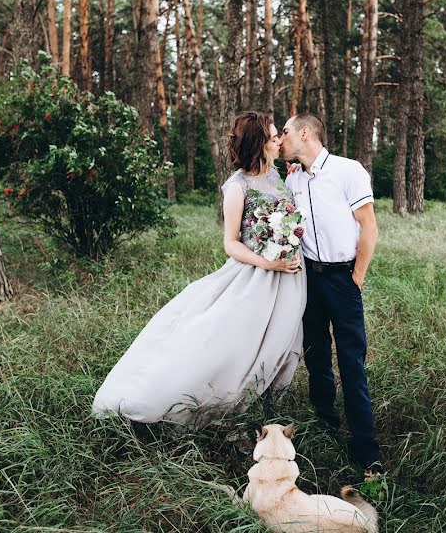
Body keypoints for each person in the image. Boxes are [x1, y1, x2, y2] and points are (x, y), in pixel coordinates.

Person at [93, 111, 305, 426]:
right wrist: (267, 262)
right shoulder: (238, 186)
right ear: (259, 143)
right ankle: (212, 405)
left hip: (289, 277)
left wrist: (287, 245)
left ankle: (269, 411)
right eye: (273, 137)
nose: (279, 141)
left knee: (285, 340)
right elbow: (231, 243)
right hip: (255, 276)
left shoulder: (282, 176)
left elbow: (289, 218)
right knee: (234, 343)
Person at [280, 112, 382, 470]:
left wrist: (356, 277)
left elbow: (369, 227)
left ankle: (365, 448)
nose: (281, 139)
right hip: (308, 279)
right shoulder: (293, 179)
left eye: (286, 132)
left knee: (352, 361)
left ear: (305, 133)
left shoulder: (348, 170)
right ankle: (325, 424)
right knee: (317, 355)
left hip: (343, 278)